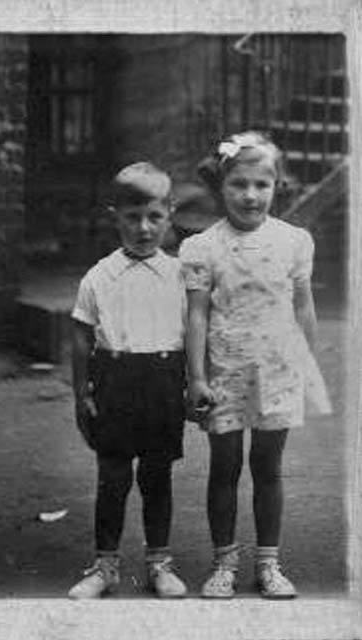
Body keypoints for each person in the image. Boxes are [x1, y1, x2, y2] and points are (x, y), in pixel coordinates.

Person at [179, 131, 331, 599]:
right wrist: (198, 377)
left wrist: (307, 363)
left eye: (261, 185)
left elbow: (303, 306)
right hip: (226, 369)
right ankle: (224, 562)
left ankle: (269, 563)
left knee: (269, 465)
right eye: (239, 184)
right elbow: (197, 313)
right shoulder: (203, 246)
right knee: (225, 467)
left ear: (276, 186)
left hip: (276, 371)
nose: (250, 195)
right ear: (220, 187)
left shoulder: (293, 241)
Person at [69, 162, 187, 599]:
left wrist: (196, 384)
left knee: (157, 478)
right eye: (132, 216)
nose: (143, 227)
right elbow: (81, 337)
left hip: (162, 382)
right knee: (113, 478)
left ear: (170, 213)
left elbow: (193, 334)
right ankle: (105, 566)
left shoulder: (179, 275)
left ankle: (160, 564)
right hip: (115, 381)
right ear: (114, 214)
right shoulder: (100, 276)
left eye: (154, 216)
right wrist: (81, 394)